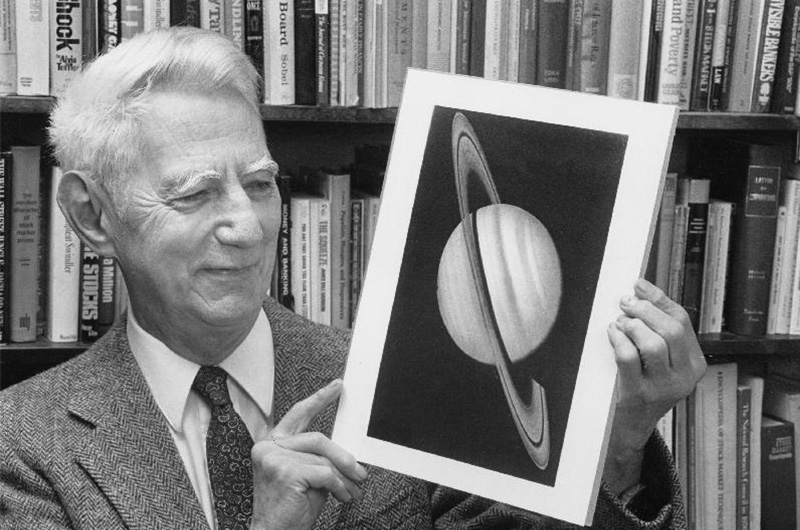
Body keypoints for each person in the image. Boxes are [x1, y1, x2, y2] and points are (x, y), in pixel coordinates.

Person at [0, 27, 706, 530]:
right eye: (193, 195)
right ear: (91, 216)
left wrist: (619, 444)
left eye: (260, 183)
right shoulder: (24, 444)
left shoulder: (394, 377)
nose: (247, 227)